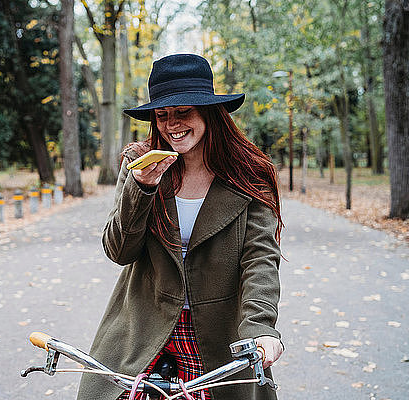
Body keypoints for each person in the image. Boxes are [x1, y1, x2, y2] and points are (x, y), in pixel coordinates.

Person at [77, 54, 284, 400]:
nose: (172, 124)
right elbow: (118, 250)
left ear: (209, 112)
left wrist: (261, 326)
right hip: (144, 326)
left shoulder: (252, 174)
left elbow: (260, 259)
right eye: (162, 115)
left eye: (184, 111)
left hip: (218, 334)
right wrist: (141, 189)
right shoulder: (140, 164)